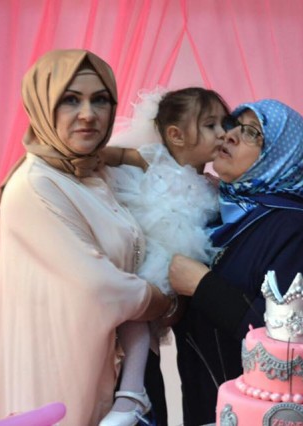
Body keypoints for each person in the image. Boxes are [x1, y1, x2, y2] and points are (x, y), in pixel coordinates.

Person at [0, 49, 173, 426]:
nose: (88, 114)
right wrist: (165, 301)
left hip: (113, 369)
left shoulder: (93, 173)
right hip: (59, 374)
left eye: (100, 100)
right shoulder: (35, 186)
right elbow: (100, 287)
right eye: (70, 100)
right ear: (41, 106)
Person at [167, 99, 303, 425]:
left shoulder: (299, 231)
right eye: (233, 125)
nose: (229, 135)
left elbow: (296, 343)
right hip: (206, 406)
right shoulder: (225, 216)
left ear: (281, 155)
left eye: (252, 133)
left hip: (262, 415)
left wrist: (202, 285)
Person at [98, 87, 229, 426]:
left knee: (150, 326)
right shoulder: (154, 158)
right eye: (210, 125)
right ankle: (132, 392)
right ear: (176, 135)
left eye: (223, 124)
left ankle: (137, 393)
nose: (222, 134)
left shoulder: (214, 186)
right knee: (136, 316)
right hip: (150, 254)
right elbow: (114, 155)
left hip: (179, 264)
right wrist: (89, 158)